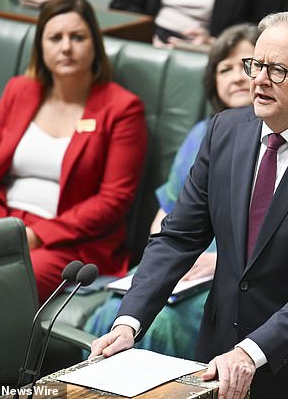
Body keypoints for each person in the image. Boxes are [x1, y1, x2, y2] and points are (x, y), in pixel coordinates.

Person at [91, 11, 288, 399]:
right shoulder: (223, 131)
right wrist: (128, 323)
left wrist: (250, 352)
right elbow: (179, 237)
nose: (260, 80)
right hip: (219, 356)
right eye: (256, 65)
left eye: (278, 70)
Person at [84, 23, 259, 360]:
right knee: (113, 316)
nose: (237, 77)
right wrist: (167, 266)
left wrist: (220, 261)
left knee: (161, 325)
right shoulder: (201, 135)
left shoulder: (279, 142)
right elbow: (166, 219)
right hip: (185, 269)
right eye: (224, 69)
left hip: (234, 279)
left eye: (246, 64)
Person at [0, 0, 147, 303]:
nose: (66, 47)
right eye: (55, 38)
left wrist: (37, 234)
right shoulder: (18, 91)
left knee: (2, 282)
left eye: (77, 37)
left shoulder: (122, 108)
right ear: (40, 46)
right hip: (1, 222)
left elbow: (113, 200)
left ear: (95, 44)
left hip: (67, 241)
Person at [109, 0, 287, 48]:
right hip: (150, 39)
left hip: (215, 47)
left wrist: (216, 44)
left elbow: (268, 26)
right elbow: (123, 5)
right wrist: (146, 36)